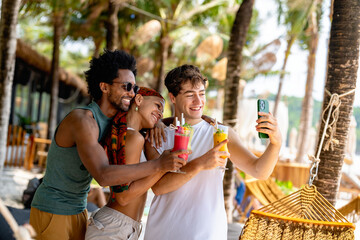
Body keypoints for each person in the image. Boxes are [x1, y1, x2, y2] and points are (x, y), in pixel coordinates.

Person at [29, 50, 186, 240]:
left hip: (79, 209)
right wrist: (159, 165)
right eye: (126, 86)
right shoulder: (84, 120)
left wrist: (160, 122)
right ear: (104, 87)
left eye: (135, 88)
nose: (132, 92)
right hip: (54, 209)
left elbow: (144, 116)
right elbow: (103, 175)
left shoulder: (114, 122)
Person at [143, 64, 282, 240]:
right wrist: (201, 163)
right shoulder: (157, 134)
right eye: (190, 95)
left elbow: (259, 171)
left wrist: (276, 143)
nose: (198, 101)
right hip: (163, 232)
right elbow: (159, 187)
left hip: (207, 233)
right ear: (173, 97)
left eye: (201, 94)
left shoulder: (221, 133)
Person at [85, 87, 170, 240]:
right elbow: (123, 197)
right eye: (158, 106)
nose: (161, 113)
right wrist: (162, 167)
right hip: (113, 228)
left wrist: (159, 122)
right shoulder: (133, 138)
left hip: (120, 227)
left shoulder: (127, 134)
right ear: (138, 100)